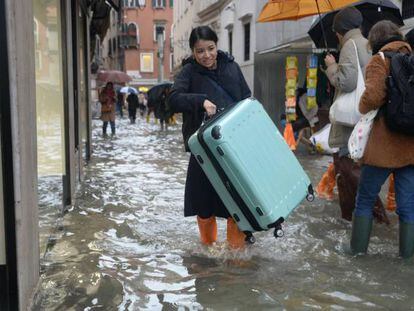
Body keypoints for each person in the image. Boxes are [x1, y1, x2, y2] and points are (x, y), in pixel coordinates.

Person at [167, 26, 251, 249]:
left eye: (210, 49)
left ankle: (237, 253)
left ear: (217, 44)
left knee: (238, 200)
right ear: (193, 52)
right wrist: (200, 101)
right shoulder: (188, 73)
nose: (206, 55)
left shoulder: (232, 67)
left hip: (233, 146)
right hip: (202, 148)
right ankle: (208, 250)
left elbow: (247, 100)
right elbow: (173, 100)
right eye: (200, 51)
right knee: (204, 202)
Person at [351, 21, 414, 258]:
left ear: (374, 39)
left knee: (365, 200)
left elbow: (373, 97)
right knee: (408, 207)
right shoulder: (411, 55)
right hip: (411, 146)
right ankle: (407, 259)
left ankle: (357, 255)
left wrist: (361, 104)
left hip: (383, 147)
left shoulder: (379, 59)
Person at [323, 7, 386, 223]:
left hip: (350, 122)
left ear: (339, 31)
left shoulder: (349, 45)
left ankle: (373, 216)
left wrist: (332, 67)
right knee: (350, 170)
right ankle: (354, 218)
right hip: (365, 118)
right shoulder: (367, 44)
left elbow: (347, 82)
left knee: (347, 168)